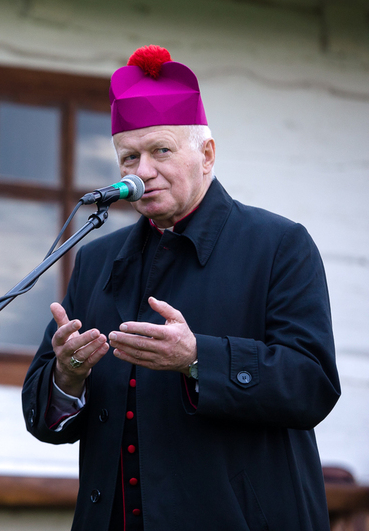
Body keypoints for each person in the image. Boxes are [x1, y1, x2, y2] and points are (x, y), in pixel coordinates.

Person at [22, 46, 340, 530]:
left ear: (207, 154)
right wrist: (68, 377)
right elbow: (44, 418)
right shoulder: (95, 258)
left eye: (161, 151)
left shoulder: (279, 244)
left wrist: (198, 359)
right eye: (130, 156)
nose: (141, 170)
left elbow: (312, 385)